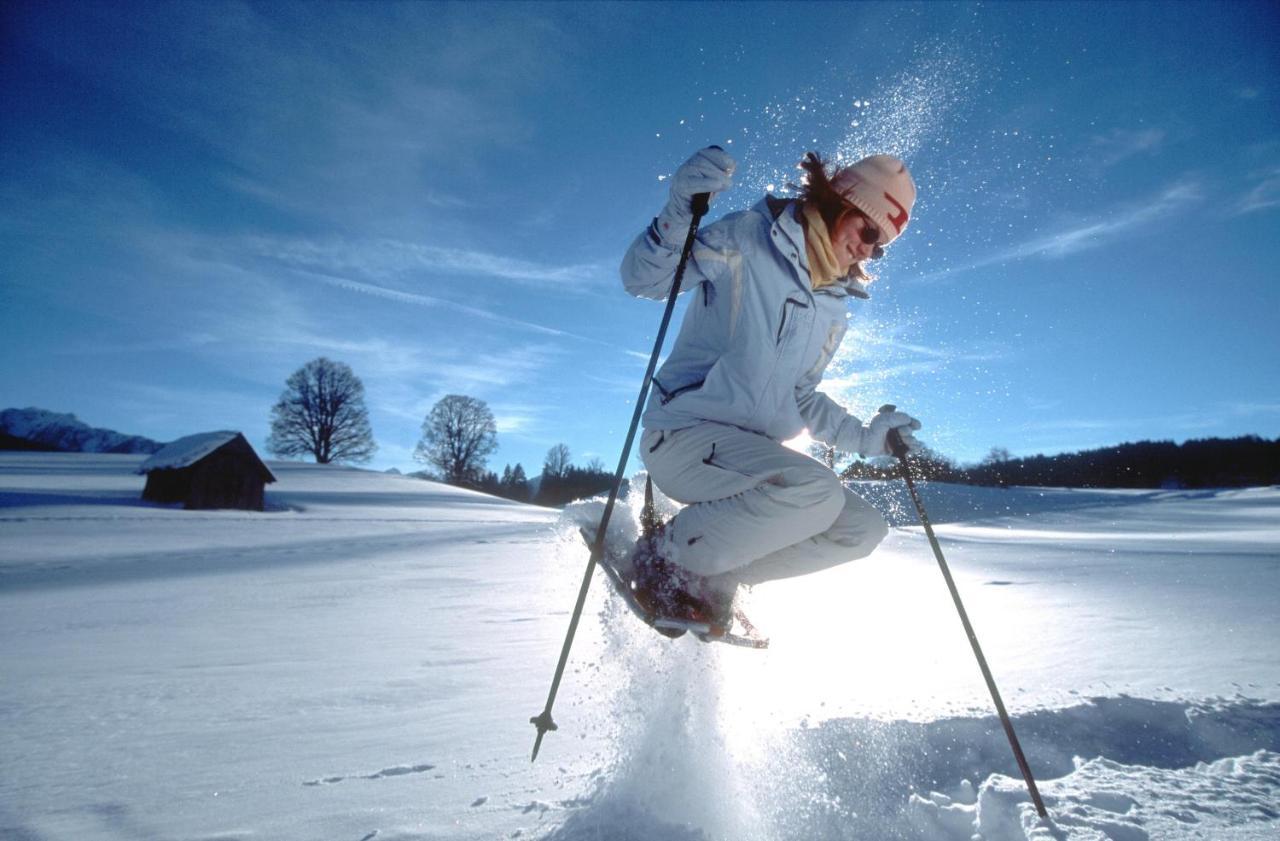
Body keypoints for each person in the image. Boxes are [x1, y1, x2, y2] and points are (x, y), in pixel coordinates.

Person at [619, 145, 923, 629]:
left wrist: (868, 438)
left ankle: (715, 576)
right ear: (841, 203)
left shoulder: (833, 307)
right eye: (869, 230)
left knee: (862, 528)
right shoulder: (749, 238)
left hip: (747, 462)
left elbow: (802, 396)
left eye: (880, 245)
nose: (868, 249)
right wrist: (680, 207)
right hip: (683, 436)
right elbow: (645, 281)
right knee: (816, 491)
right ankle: (664, 557)